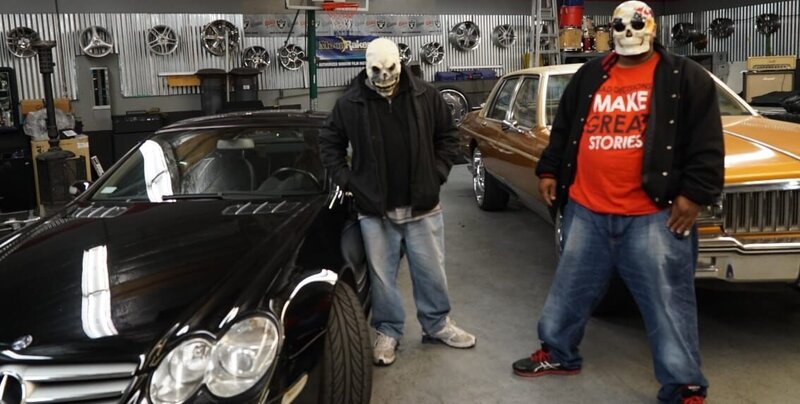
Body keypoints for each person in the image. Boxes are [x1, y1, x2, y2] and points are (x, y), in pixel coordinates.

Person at [511, 2, 724, 403]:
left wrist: (695, 193)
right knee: (569, 289)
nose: (628, 31)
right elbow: (565, 127)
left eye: (637, 24)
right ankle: (558, 352)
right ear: (611, 29)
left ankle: (683, 384)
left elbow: (707, 140)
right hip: (586, 210)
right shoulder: (591, 73)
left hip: (653, 216)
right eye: (620, 25)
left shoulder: (684, 76)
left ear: (653, 28)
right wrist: (549, 170)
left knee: (668, 303)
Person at [319, 38, 476, 366]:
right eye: (376, 70)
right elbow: (329, 143)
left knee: (431, 272)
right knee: (382, 277)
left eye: (390, 69)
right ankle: (388, 331)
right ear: (366, 67)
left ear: (399, 65)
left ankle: (436, 325)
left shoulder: (425, 96)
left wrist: (437, 174)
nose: (384, 76)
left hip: (422, 204)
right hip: (376, 210)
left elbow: (448, 137)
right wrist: (349, 182)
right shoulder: (350, 104)